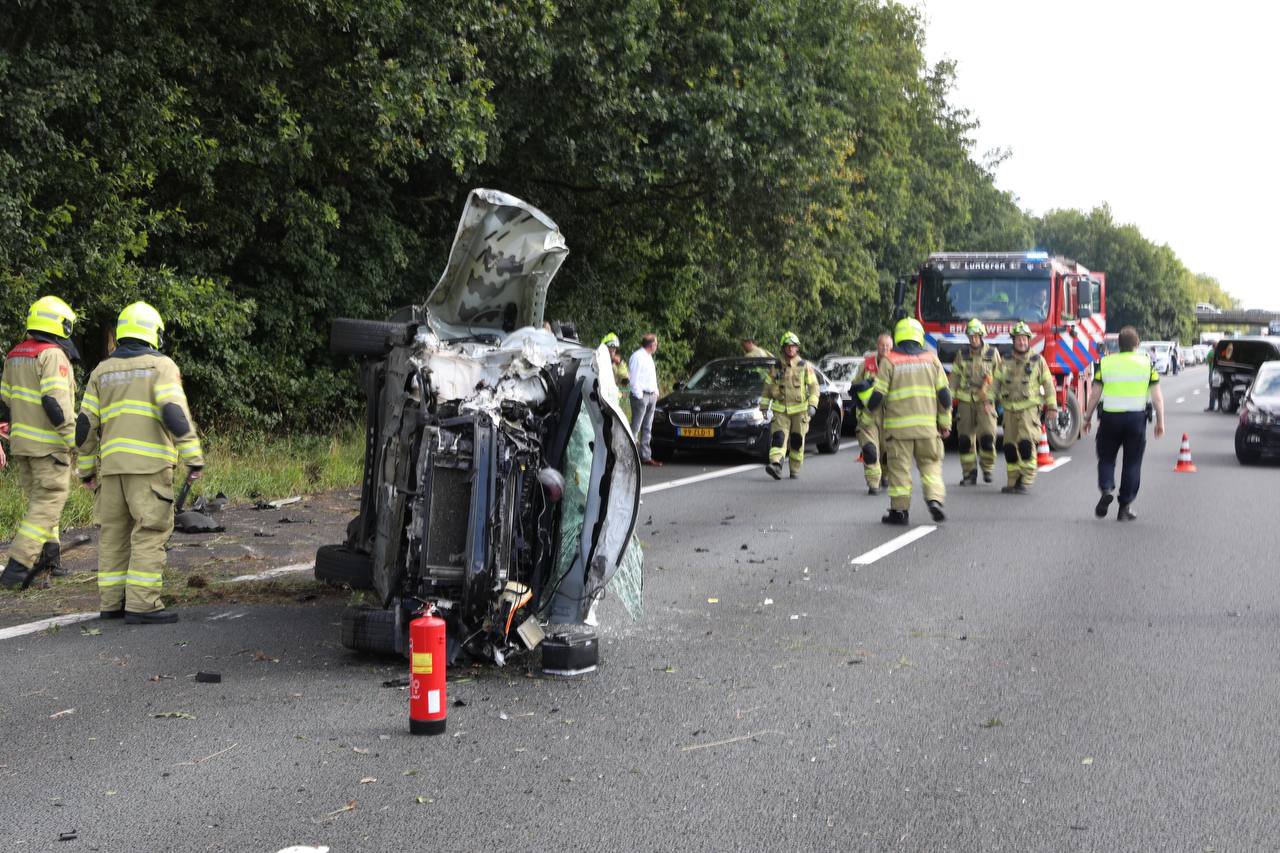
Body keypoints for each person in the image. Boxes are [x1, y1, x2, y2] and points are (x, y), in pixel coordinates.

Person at [77, 302, 204, 623]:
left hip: (112, 471)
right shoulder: (160, 367)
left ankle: (112, 603)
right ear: (154, 333)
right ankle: (143, 605)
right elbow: (173, 413)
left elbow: (84, 426)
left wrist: (87, 469)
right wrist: (192, 455)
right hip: (148, 470)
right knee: (150, 532)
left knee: (114, 536)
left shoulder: (101, 371)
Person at [0, 296, 80, 589]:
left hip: (22, 445)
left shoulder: (15, 354)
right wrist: (75, 440)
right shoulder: (53, 355)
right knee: (47, 504)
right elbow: (55, 403)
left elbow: (6, 400)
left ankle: (48, 557)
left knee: (39, 503)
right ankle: (18, 569)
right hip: (49, 446)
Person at [861, 318, 950, 524]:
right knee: (931, 467)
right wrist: (945, 424)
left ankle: (899, 513)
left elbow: (877, 396)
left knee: (899, 471)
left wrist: (866, 416)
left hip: (898, 431)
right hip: (927, 430)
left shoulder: (890, 361)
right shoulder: (932, 360)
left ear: (898, 336)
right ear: (919, 336)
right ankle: (934, 499)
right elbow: (945, 396)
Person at [1082, 325, 1164, 521]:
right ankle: (1124, 507)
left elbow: (1095, 394)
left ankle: (1107, 488)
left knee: (1107, 458)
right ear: (1137, 344)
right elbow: (1157, 397)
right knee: (1132, 463)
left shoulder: (1106, 362)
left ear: (1118, 344)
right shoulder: (1147, 364)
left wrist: (1087, 418)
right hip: (1136, 419)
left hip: (1110, 418)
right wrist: (1160, 421)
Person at [994, 321, 1057, 494]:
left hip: (1029, 409)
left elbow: (1048, 384)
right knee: (1009, 447)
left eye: (1024, 339)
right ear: (1013, 341)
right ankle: (1013, 481)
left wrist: (1052, 406)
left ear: (1029, 340)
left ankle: (1026, 478)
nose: (1021, 342)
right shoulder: (1005, 360)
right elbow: (996, 383)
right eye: (1018, 339)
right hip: (1009, 410)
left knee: (1025, 443)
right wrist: (988, 402)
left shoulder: (1038, 360)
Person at [951, 318, 1002, 486]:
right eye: (971, 336)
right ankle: (969, 474)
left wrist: (991, 398)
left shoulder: (992, 354)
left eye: (976, 336)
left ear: (982, 336)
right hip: (965, 401)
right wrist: (949, 400)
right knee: (965, 440)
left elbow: (999, 377)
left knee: (987, 437)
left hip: (985, 402)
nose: (973, 339)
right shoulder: (961, 354)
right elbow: (955, 378)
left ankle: (987, 468)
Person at [761, 332, 818, 480]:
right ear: (783, 348)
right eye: (788, 346)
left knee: (797, 441)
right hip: (781, 411)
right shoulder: (776, 366)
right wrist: (764, 407)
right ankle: (776, 465)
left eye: (793, 347)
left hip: (800, 411)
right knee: (778, 438)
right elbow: (767, 387)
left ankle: (795, 468)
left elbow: (814, 387)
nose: (791, 349)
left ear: (797, 348)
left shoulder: (804, 366)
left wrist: (813, 404)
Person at [850, 333, 892, 494]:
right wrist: (861, 389)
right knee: (870, 450)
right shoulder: (867, 364)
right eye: (882, 345)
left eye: (888, 346)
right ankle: (873, 483)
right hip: (868, 417)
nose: (885, 349)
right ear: (877, 345)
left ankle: (886, 475)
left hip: (890, 418)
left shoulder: (896, 364)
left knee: (888, 453)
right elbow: (854, 385)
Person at [627, 333, 662, 467]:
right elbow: (634, 378)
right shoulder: (637, 357)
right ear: (651, 344)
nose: (656, 346)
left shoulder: (648, 357)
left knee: (647, 427)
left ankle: (645, 456)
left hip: (651, 395)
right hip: (641, 396)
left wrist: (656, 391)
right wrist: (639, 395)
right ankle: (629, 457)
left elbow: (651, 377)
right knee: (636, 426)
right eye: (656, 344)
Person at [600, 333, 630, 420]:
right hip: (601, 398)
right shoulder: (599, 360)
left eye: (614, 349)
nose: (612, 352)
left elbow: (625, 380)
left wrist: (619, 364)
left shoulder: (617, 364)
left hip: (613, 400)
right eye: (611, 349)